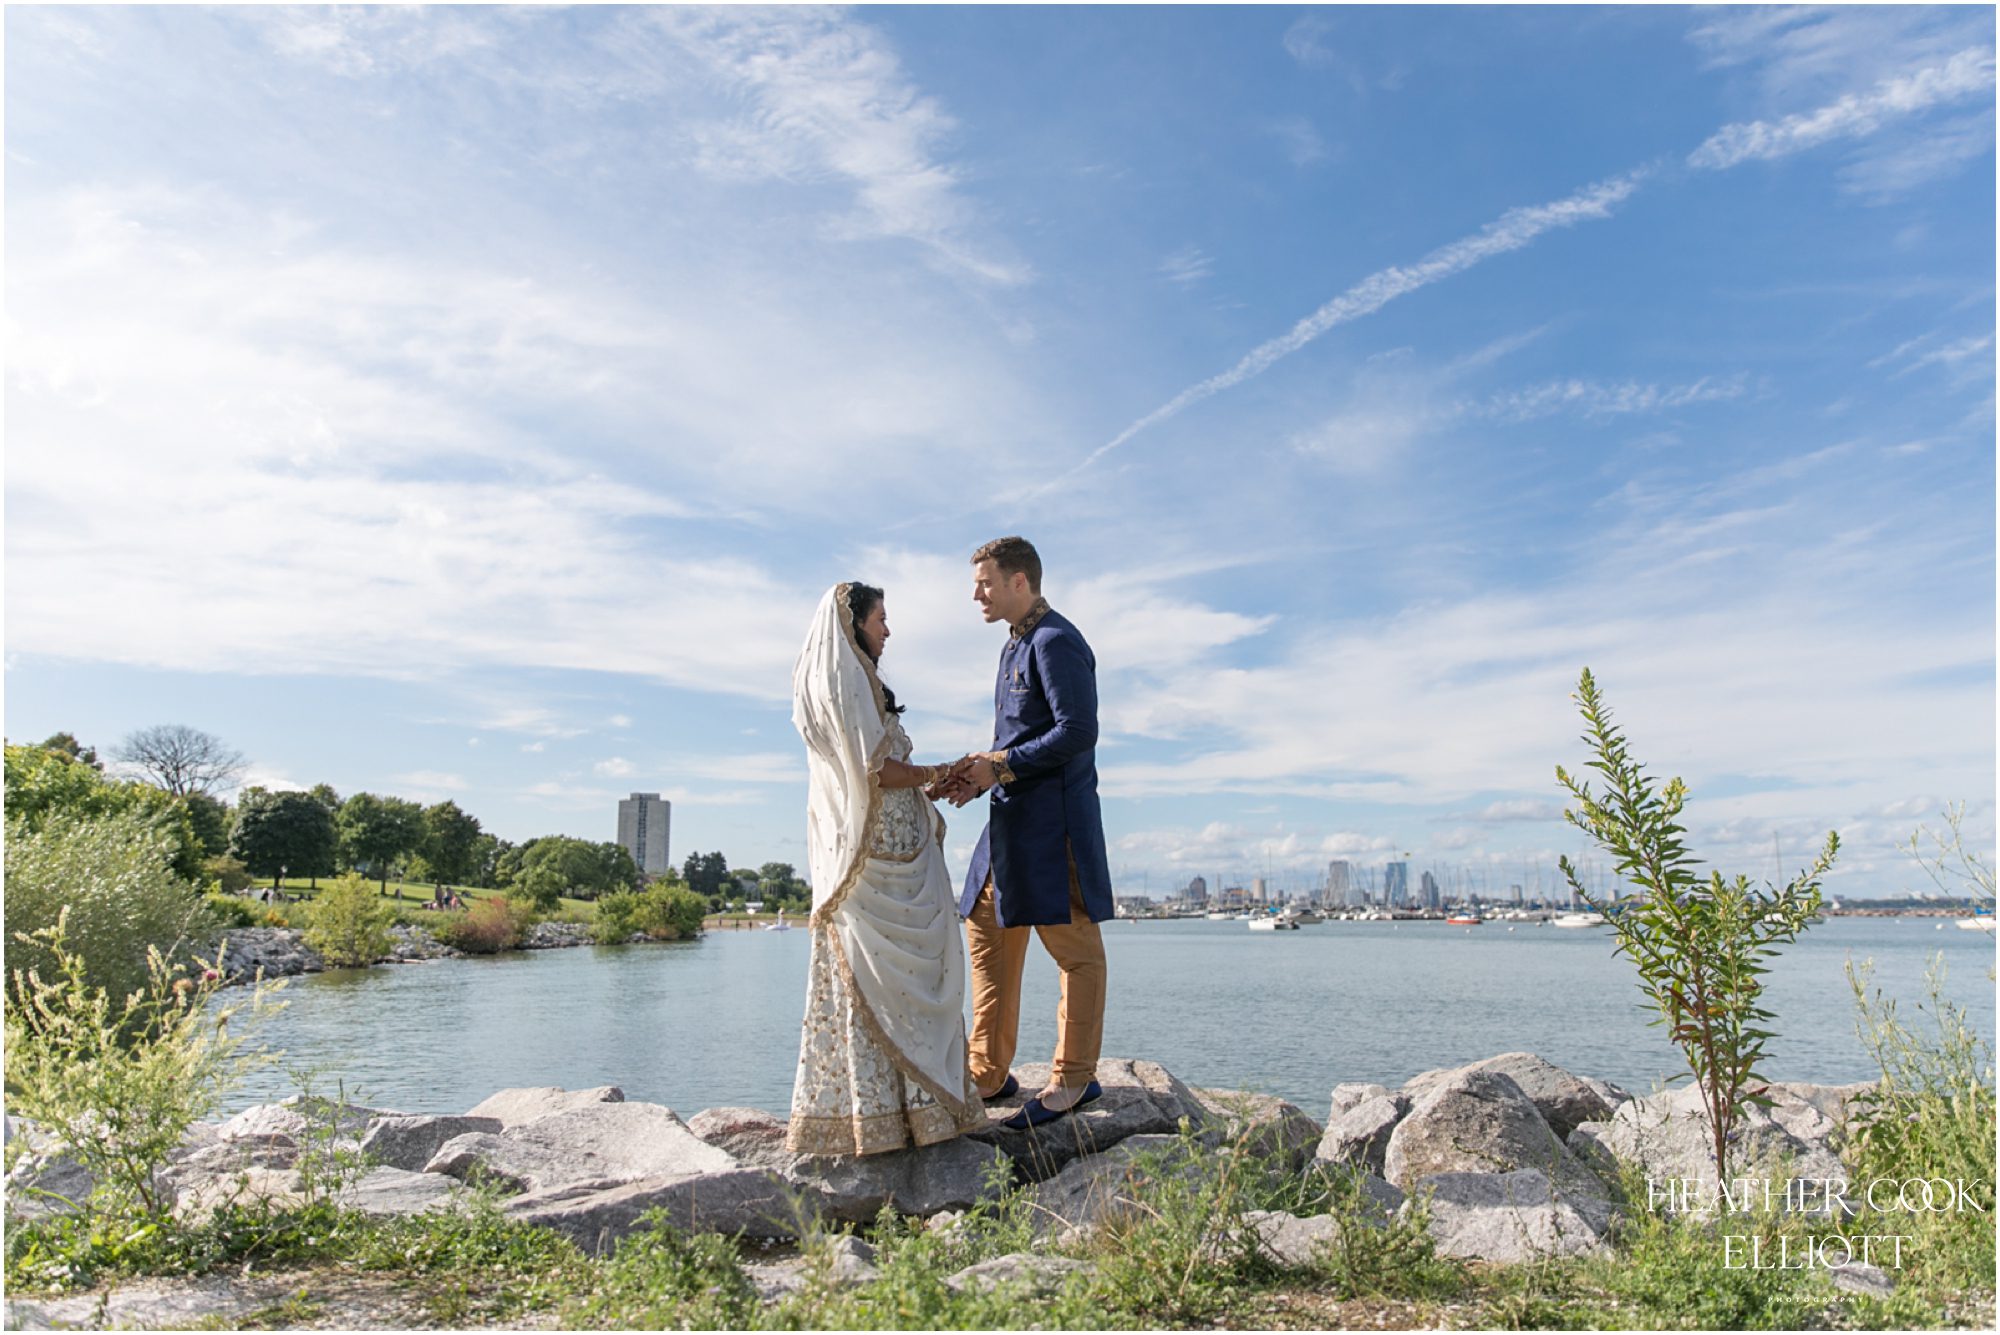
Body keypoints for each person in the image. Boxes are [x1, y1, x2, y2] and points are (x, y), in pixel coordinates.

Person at [785, 582, 986, 1155]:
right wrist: (939, 770)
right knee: (886, 978)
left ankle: (898, 1114)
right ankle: (895, 1118)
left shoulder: (848, 682)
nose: (887, 631)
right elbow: (876, 770)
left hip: (890, 852)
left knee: (899, 981)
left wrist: (929, 779)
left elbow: (883, 767)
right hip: (877, 862)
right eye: (880, 620)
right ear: (853, 625)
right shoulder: (844, 682)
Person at [942, 537, 1115, 1130]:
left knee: (1077, 954)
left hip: (1053, 829)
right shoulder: (1013, 645)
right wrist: (980, 771)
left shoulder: (1057, 640)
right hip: (1009, 822)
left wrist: (1002, 765)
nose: (976, 594)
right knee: (983, 925)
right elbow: (1019, 733)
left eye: (985, 582)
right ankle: (987, 1072)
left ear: (1021, 581)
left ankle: (1073, 1080)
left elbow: (1078, 732)